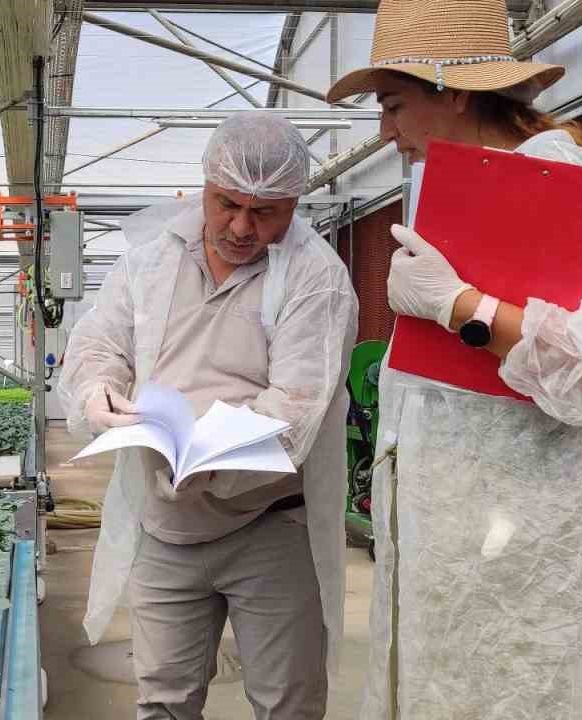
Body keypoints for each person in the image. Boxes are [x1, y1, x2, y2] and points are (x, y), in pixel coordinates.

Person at [325, 1, 582, 719]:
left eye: (394, 106)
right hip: (460, 536)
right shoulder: (459, 179)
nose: (385, 132)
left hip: (521, 543)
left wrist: (461, 307)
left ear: (454, 91)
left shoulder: (551, 170)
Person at [59, 110, 358, 720]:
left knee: (286, 703)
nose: (242, 227)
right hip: (165, 526)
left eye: (266, 212)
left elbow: (295, 409)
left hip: (269, 523)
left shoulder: (315, 277)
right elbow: (98, 345)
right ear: (204, 185)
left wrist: (206, 458)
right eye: (227, 204)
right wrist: (97, 394)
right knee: (164, 699)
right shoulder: (151, 260)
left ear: (295, 204)